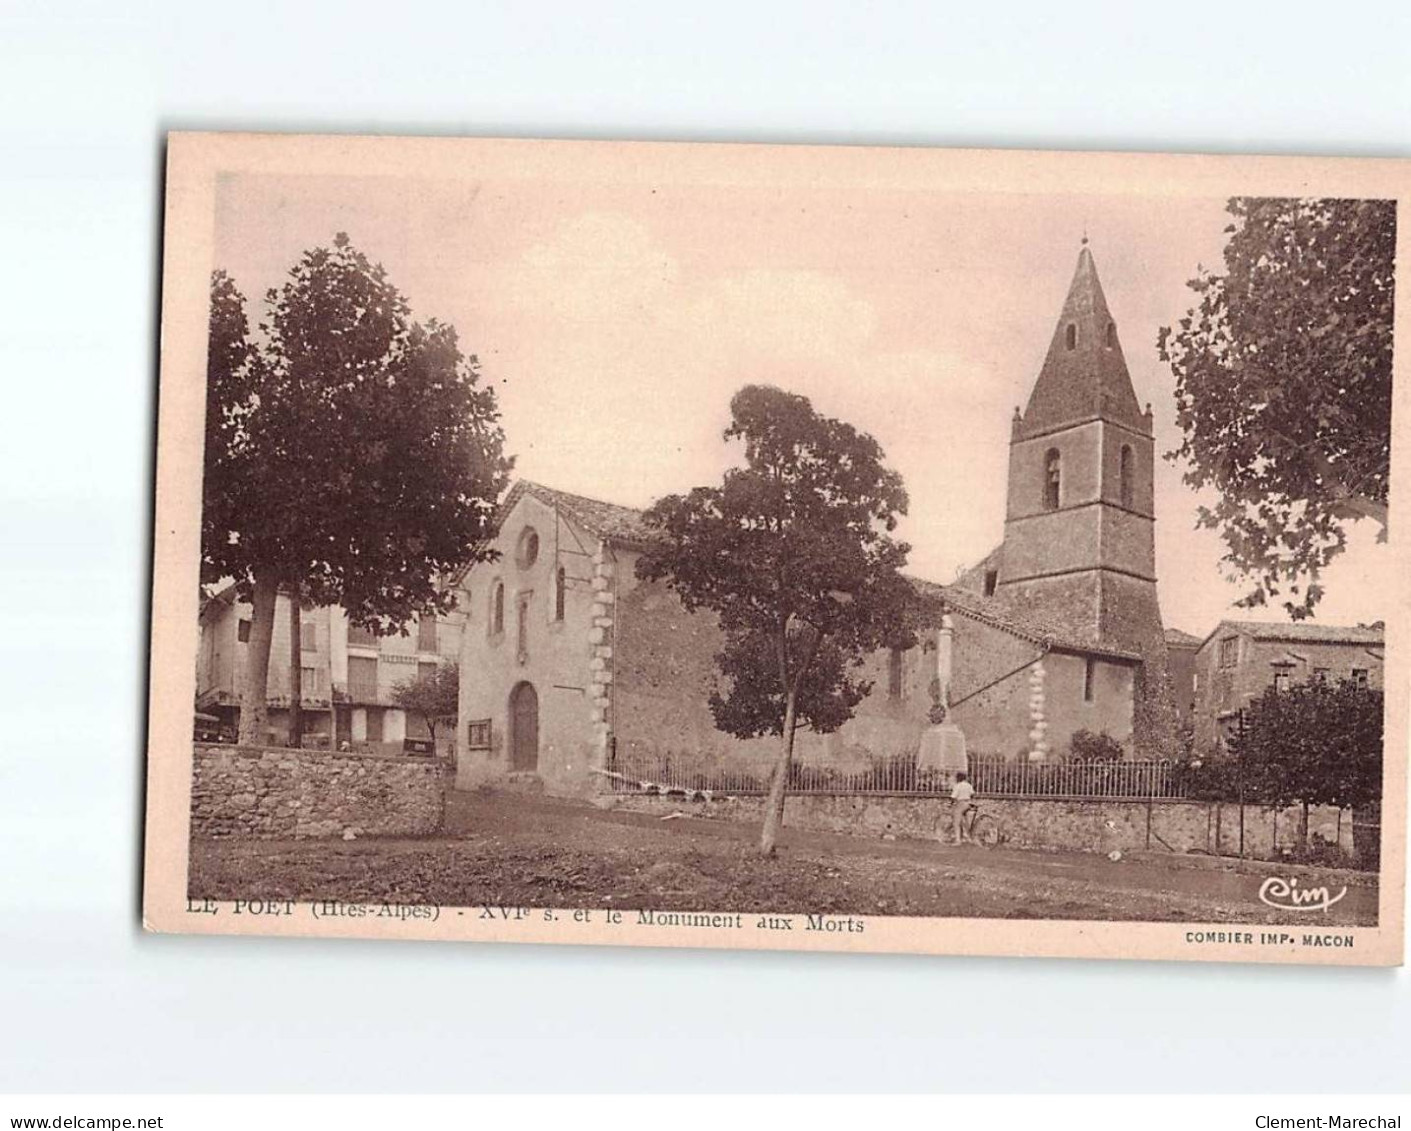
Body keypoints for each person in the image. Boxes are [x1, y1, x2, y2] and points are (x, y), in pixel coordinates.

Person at [950, 772, 976, 844]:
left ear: (958, 778)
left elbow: (953, 797)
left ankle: (958, 840)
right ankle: (968, 838)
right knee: (966, 822)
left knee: (956, 822)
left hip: (961, 803)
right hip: (968, 803)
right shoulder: (968, 785)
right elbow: (972, 794)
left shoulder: (958, 786)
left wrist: (951, 803)